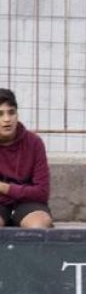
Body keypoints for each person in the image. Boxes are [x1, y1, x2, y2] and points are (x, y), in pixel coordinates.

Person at [0, 88, 52, 228]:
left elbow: (41, 192)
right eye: (0, 114)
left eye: (11, 112)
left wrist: (4, 188)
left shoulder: (34, 143)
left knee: (39, 224)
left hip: (28, 204)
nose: (7, 119)